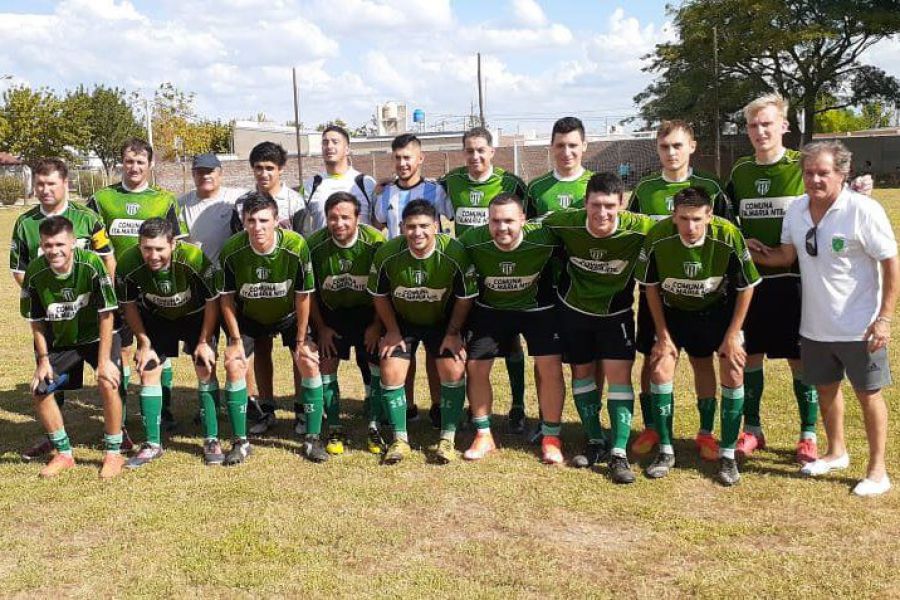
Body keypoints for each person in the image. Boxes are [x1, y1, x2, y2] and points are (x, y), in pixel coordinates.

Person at [749, 140, 898, 497]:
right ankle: (836, 452)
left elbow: (890, 262)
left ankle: (877, 471)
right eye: (809, 172)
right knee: (827, 392)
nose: (814, 180)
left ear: (842, 174)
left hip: (860, 326)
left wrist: (885, 319)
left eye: (823, 173)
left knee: (869, 394)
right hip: (815, 325)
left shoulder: (863, 210)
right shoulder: (797, 210)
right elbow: (787, 256)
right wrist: (753, 252)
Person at [635, 187, 760, 486]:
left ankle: (725, 452)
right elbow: (650, 286)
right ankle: (666, 450)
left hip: (716, 310)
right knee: (661, 365)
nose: (690, 227)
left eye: (696, 219)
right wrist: (663, 335)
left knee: (731, 367)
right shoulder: (658, 236)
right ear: (673, 216)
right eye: (683, 219)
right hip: (673, 310)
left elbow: (747, 285)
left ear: (709, 215)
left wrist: (732, 334)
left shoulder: (728, 235)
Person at [629, 120, 732, 461]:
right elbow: (634, 237)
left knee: (703, 360)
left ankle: (705, 433)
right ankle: (654, 427)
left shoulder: (711, 187)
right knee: (653, 359)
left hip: (704, 294)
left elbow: (730, 235)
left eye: (677, 145)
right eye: (664, 146)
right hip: (658, 293)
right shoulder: (645, 190)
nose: (671, 153)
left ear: (692, 146)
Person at [726, 94, 819, 464]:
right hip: (752, 282)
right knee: (750, 355)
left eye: (767, 124)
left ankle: (807, 435)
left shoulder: (802, 166)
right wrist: (738, 236)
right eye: (753, 125)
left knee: (799, 358)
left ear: (784, 125)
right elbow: (729, 217)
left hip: (796, 279)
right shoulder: (740, 172)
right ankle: (753, 429)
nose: (760, 131)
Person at [543, 173, 654, 482]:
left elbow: (674, 232)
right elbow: (532, 226)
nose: (601, 213)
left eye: (609, 206)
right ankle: (594, 440)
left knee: (619, 378)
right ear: (585, 203)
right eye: (595, 205)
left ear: (621, 205)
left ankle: (618, 452)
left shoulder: (641, 228)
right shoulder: (566, 221)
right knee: (582, 375)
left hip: (616, 314)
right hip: (574, 311)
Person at [10, 158, 114, 461]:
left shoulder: (87, 217)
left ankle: (120, 433)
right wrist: (46, 296)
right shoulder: (25, 223)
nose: (44, 189)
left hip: (90, 314)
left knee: (110, 372)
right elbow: (20, 270)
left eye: (50, 183)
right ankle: (54, 438)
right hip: (54, 317)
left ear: (65, 184)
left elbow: (107, 259)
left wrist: (102, 298)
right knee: (50, 382)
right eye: (39, 184)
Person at [367, 199, 477, 464]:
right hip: (403, 321)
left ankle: (447, 439)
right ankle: (400, 439)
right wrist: (391, 330)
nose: (418, 233)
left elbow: (465, 297)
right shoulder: (387, 253)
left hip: (442, 321)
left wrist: (453, 333)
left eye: (425, 226)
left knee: (453, 367)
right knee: (390, 368)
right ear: (402, 227)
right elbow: (379, 295)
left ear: (437, 226)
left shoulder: (455, 252)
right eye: (411, 226)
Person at [87, 138, 184, 437]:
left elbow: (174, 244)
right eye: (129, 161)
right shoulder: (102, 199)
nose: (134, 167)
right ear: (121, 163)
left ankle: (163, 410)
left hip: (154, 287)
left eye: (141, 162)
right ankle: (124, 411)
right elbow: (91, 242)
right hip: (114, 288)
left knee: (158, 348)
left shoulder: (164, 200)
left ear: (150, 165)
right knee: (124, 350)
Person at [459, 193, 566, 465]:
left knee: (550, 367)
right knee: (475, 366)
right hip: (492, 310)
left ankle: (551, 438)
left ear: (523, 219)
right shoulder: (473, 240)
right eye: (495, 221)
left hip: (537, 309)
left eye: (508, 221)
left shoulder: (543, 237)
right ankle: (484, 434)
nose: (502, 228)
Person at [219, 192, 326, 464]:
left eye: (264, 220)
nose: (258, 227)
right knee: (233, 364)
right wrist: (233, 339)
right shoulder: (232, 250)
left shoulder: (296, 245)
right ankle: (241, 442)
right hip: (249, 316)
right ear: (243, 222)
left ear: (277, 220)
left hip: (288, 313)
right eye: (251, 220)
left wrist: (302, 339)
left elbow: (303, 294)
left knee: (309, 361)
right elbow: (227, 298)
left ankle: (313, 437)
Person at [20, 216, 126, 478]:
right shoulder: (35, 272)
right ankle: (64, 454)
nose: (54, 251)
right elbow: (36, 321)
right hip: (62, 342)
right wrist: (43, 360)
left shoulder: (90, 265)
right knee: (41, 389)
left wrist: (104, 361)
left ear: (72, 243)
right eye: (48, 245)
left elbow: (106, 313)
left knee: (108, 381)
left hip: (97, 338)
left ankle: (113, 453)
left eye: (59, 244)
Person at [441, 127, 529, 434]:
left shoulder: (511, 183)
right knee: (470, 346)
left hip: (505, 272)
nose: (475, 156)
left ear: (492, 151)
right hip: (468, 278)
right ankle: (472, 406)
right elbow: (423, 192)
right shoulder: (451, 181)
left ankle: (518, 407)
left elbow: (527, 223)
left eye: (481, 150)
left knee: (513, 343)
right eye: (469, 150)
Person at [116, 218, 224, 467]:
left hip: (196, 316)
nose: (153, 255)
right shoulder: (128, 262)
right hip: (157, 317)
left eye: (159, 249)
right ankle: (153, 444)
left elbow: (212, 301)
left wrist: (205, 340)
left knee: (204, 366)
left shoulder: (194, 258)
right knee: (148, 370)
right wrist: (143, 343)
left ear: (173, 244)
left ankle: (211, 439)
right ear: (139, 245)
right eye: (146, 248)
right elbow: (129, 305)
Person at [372, 133, 451, 428]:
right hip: (398, 279)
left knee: (434, 349)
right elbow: (377, 224)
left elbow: (452, 220)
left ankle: (438, 406)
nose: (403, 163)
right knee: (405, 347)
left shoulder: (436, 190)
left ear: (420, 159)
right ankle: (407, 407)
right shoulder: (387, 193)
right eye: (397, 158)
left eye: (408, 157)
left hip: (432, 278)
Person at [230, 141, 306, 435]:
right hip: (255, 292)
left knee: (297, 350)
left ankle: (302, 408)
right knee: (260, 349)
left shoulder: (295, 201)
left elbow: (303, 245)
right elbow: (238, 245)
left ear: (280, 169)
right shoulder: (242, 203)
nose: (263, 173)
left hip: (286, 292)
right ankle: (265, 408)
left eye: (269, 168)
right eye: (258, 168)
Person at [306, 192, 385, 455]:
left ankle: (373, 424)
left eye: (345, 218)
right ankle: (335, 426)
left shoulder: (375, 242)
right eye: (332, 218)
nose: (339, 224)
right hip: (332, 315)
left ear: (357, 218)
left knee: (376, 364)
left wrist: (376, 325)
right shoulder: (315, 245)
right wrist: (321, 328)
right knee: (327, 364)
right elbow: (310, 293)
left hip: (368, 312)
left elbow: (383, 291)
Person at [297, 124, 376, 236]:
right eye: (325, 142)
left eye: (335, 142)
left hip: (361, 253)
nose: (329, 146)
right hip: (324, 252)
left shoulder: (366, 183)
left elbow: (379, 223)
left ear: (347, 149)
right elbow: (299, 225)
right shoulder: (311, 185)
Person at [178, 153, 247, 264]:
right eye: (200, 172)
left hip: (227, 273)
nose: (205, 176)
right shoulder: (182, 204)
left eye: (209, 171)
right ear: (193, 175)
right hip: (197, 273)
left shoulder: (235, 198)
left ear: (220, 173)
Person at [525, 116, 594, 217]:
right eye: (560, 146)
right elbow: (526, 228)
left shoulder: (598, 185)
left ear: (584, 146)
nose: (566, 153)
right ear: (552, 146)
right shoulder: (535, 188)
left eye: (572, 145)